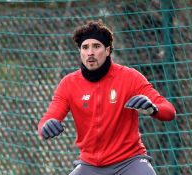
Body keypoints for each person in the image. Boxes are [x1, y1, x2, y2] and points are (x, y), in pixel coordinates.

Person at [37, 20, 176, 175]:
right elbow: (48, 119)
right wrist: (46, 127)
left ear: (108, 50)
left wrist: (153, 109)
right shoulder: (68, 83)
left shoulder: (130, 77)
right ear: (80, 52)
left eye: (96, 46)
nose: (90, 52)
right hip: (89, 165)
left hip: (130, 162)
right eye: (85, 47)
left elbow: (169, 111)